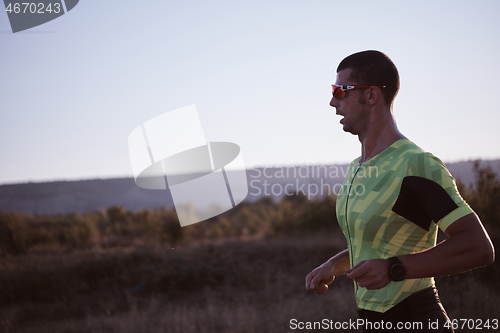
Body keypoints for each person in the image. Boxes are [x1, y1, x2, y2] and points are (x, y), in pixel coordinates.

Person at [305, 50, 495, 332]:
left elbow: (478, 247)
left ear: (371, 96)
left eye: (340, 91)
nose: (333, 102)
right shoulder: (358, 167)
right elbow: (380, 243)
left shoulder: (416, 164)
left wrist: (396, 269)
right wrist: (335, 264)